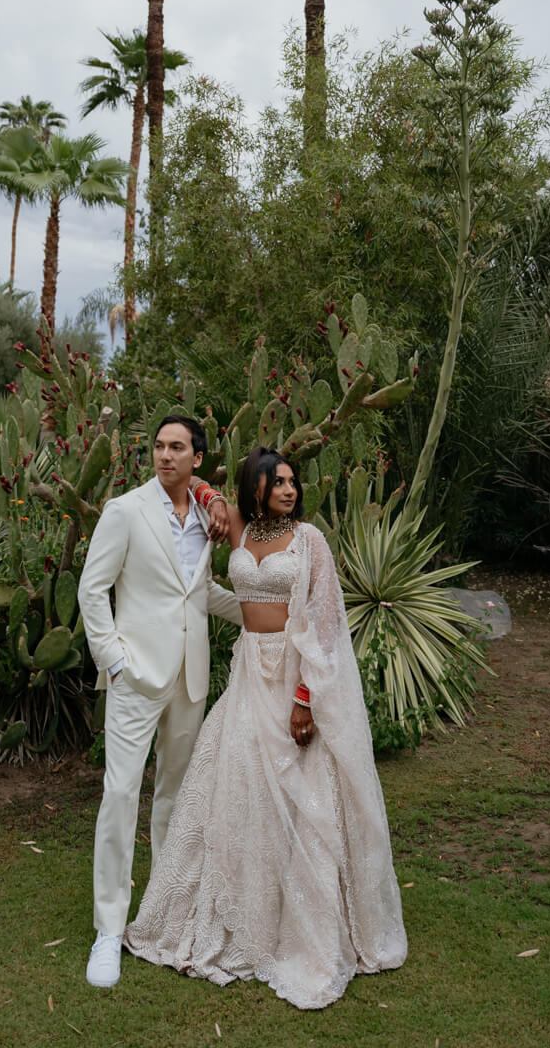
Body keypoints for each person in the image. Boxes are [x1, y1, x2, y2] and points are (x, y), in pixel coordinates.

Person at [122, 446, 408, 1010]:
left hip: (293, 675)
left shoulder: (308, 540)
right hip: (249, 672)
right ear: (254, 486)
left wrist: (305, 699)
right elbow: (194, 480)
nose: (288, 489)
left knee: (303, 795)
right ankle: (232, 915)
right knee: (234, 790)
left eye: (292, 481)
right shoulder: (238, 530)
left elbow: (324, 623)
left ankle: (305, 924)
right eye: (276, 481)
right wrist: (213, 498)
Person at [77, 415, 242, 989]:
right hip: (135, 678)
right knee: (120, 795)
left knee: (175, 796)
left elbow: (200, 592)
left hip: (189, 678)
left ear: (198, 459)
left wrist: (262, 614)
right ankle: (108, 930)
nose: (165, 455)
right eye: (158, 446)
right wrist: (114, 661)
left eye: (177, 448)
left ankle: (164, 914)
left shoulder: (206, 517)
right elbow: (92, 589)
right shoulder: (125, 511)